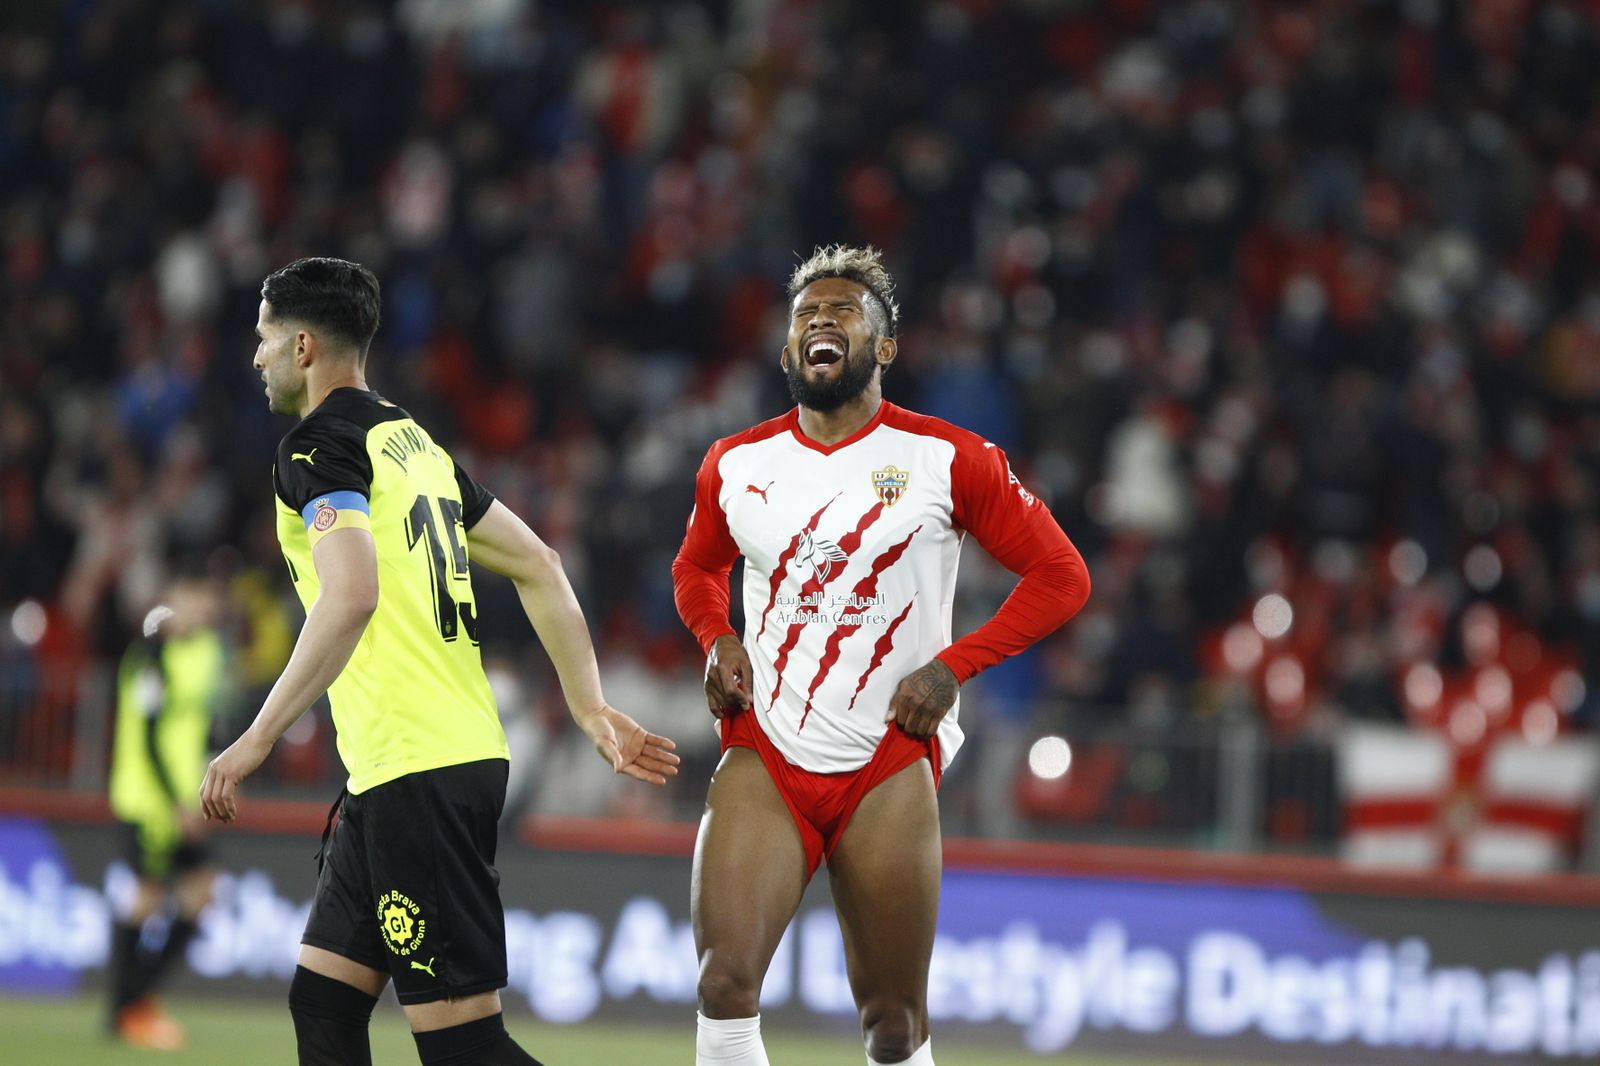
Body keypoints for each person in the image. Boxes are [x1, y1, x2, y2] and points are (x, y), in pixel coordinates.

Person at [200, 257, 680, 1066]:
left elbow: (349, 595)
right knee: (322, 1002)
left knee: (463, 1048)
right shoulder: (411, 444)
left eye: (264, 339)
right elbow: (543, 567)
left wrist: (255, 738)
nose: (256, 357)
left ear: (305, 347)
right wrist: (590, 708)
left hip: (417, 770)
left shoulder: (318, 448)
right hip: (411, 765)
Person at [672, 245, 1090, 1066]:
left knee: (894, 1024)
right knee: (724, 984)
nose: (820, 321)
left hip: (887, 764)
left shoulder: (948, 459)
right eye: (804, 316)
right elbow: (696, 566)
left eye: (841, 311)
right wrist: (716, 636)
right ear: (789, 351)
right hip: (768, 748)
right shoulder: (736, 463)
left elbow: (1063, 576)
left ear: (885, 347)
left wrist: (952, 667)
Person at [107, 574, 227, 1051]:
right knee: (145, 900)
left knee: (201, 897)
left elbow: (208, 727)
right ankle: (125, 1009)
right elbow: (150, 737)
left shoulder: (210, 653)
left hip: (186, 801)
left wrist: (206, 786)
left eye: (205, 602)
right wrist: (175, 803)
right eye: (189, 600)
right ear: (170, 601)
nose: (199, 611)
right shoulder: (149, 656)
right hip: (147, 800)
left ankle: (135, 1001)